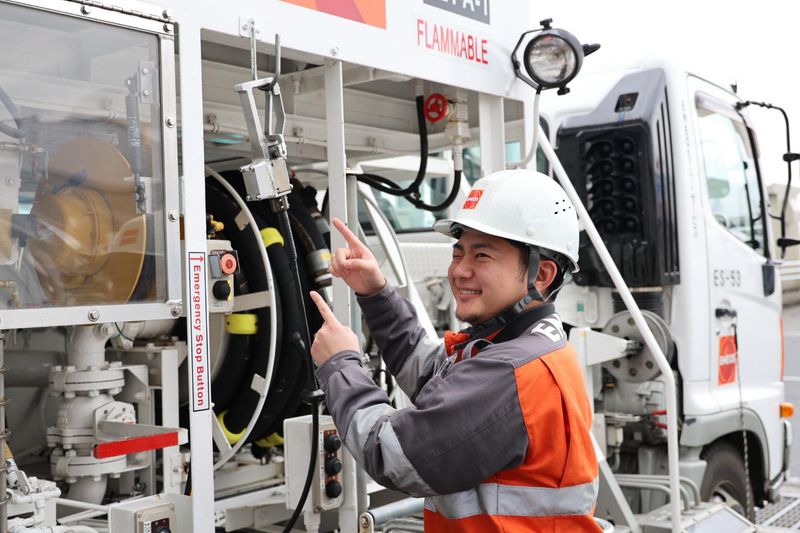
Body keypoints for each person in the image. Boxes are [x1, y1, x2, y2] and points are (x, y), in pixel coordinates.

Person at [309, 169, 601, 532]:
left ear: (541, 275)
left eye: (482, 256)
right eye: (458, 253)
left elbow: (393, 454)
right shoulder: (525, 345)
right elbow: (432, 374)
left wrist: (340, 365)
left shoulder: (513, 371)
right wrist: (375, 292)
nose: (460, 271)